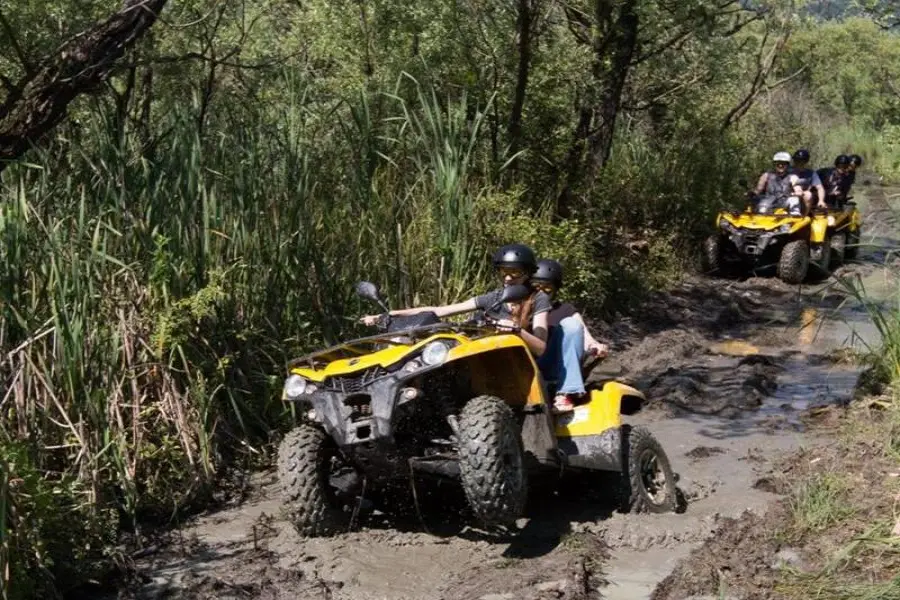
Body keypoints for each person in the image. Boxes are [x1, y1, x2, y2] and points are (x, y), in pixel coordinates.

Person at [360, 243, 550, 357]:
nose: (508, 278)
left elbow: (541, 348)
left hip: (515, 357)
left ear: (528, 273)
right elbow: (440, 310)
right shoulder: (494, 297)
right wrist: (387, 314)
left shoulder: (538, 298)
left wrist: (516, 330)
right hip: (482, 352)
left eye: (515, 272)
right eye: (504, 272)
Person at [531, 259, 609, 413]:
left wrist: (595, 346)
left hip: (552, 366)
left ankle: (565, 392)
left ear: (555, 290)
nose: (541, 293)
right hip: (524, 365)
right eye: (536, 288)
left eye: (547, 289)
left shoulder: (565, 310)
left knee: (571, 325)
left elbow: (584, 335)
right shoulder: (518, 308)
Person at [790, 148, 826, 213]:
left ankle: (805, 215)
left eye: (801, 161)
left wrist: (821, 200)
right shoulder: (788, 171)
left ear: (806, 161)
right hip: (789, 195)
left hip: (804, 199)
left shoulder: (811, 173)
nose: (799, 163)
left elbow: (820, 188)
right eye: (797, 160)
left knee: (808, 194)